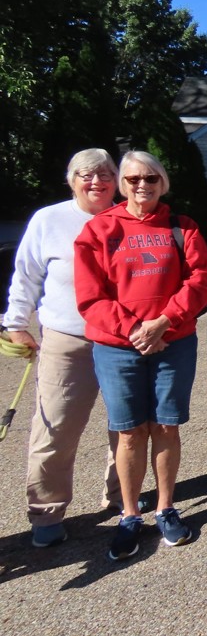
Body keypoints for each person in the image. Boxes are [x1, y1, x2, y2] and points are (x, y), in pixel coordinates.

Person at [74, 151, 207, 560]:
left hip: (172, 342)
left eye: (151, 177)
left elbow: (202, 279)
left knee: (167, 427)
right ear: (122, 182)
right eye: (134, 177)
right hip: (119, 348)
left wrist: (164, 321)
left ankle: (165, 507)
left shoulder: (181, 227)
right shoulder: (99, 229)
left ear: (162, 182)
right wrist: (135, 330)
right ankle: (131, 514)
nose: (142, 185)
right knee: (131, 431)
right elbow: (90, 295)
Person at [2, 149, 121, 549]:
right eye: (86, 175)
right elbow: (26, 275)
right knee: (55, 427)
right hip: (67, 338)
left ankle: (122, 493)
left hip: (122, 339)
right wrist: (16, 324)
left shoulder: (129, 217)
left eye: (105, 174)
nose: (96, 182)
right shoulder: (49, 220)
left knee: (127, 425)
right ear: (71, 180)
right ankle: (46, 510)